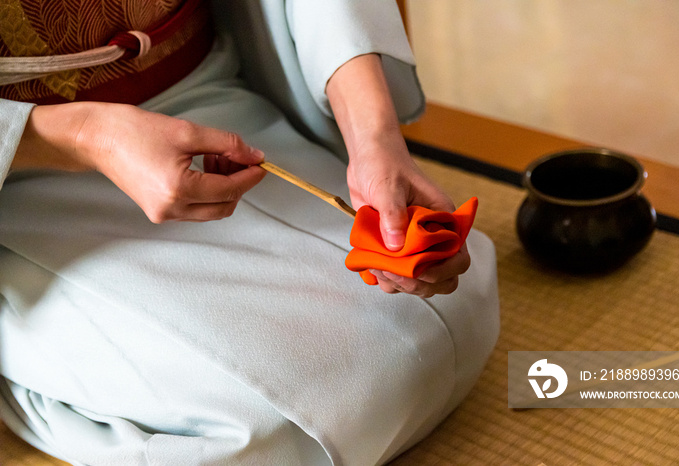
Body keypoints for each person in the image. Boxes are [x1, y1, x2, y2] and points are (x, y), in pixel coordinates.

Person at [0, 0, 500, 464]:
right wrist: (90, 137)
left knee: (459, 295)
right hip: (25, 158)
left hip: (207, 96)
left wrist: (374, 138)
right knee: (266, 423)